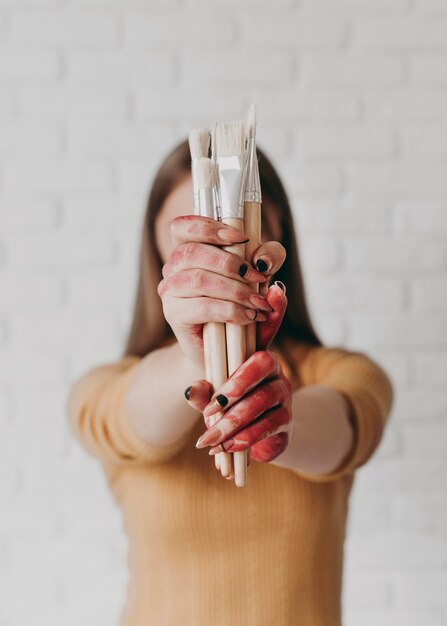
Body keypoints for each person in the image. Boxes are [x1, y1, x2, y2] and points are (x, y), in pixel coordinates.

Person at [67, 140, 393, 626]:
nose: (214, 254)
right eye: (191, 242)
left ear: (274, 234)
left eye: (233, 231)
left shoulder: (341, 372)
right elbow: (122, 418)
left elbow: (347, 427)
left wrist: (279, 420)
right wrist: (194, 355)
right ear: (157, 247)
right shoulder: (108, 386)